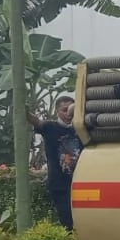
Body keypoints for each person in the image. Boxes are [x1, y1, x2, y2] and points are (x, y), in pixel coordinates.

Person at [31, 95, 82, 230]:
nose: (68, 114)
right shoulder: (50, 127)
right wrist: (23, 111)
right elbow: (36, 122)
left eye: (71, 110)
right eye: (64, 110)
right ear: (57, 111)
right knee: (68, 222)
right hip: (60, 185)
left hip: (80, 183)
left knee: (82, 220)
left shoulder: (80, 128)